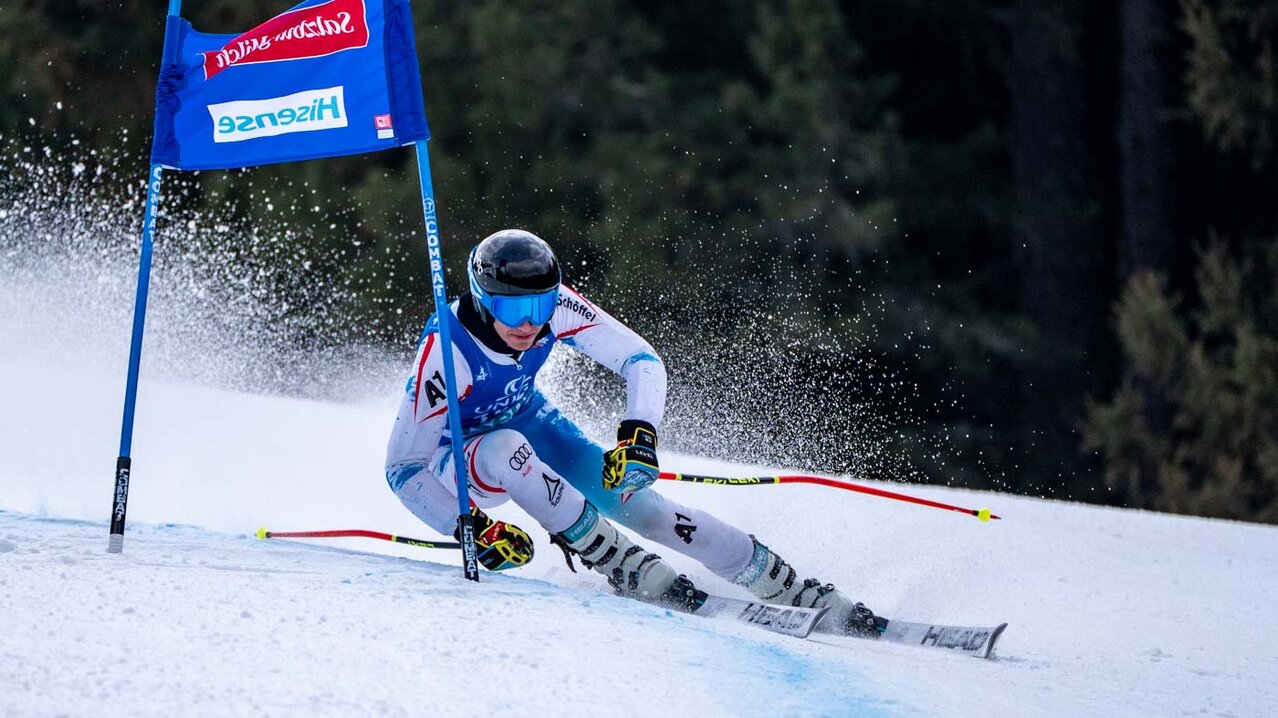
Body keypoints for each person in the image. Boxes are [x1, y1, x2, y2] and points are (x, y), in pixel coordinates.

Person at [385, 229, 883, 637]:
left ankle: (787, 586)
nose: (530, 325)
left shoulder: (553, 308)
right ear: (482, 299)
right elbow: (403, 469)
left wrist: (639, 435)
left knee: (642, 506)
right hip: (455, 467)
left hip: (530, 421)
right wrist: (466, 526)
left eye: (541, 309)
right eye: (514, 311)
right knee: (506, 449)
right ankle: (619, 560)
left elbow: (640, 360)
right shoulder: (446, 357)